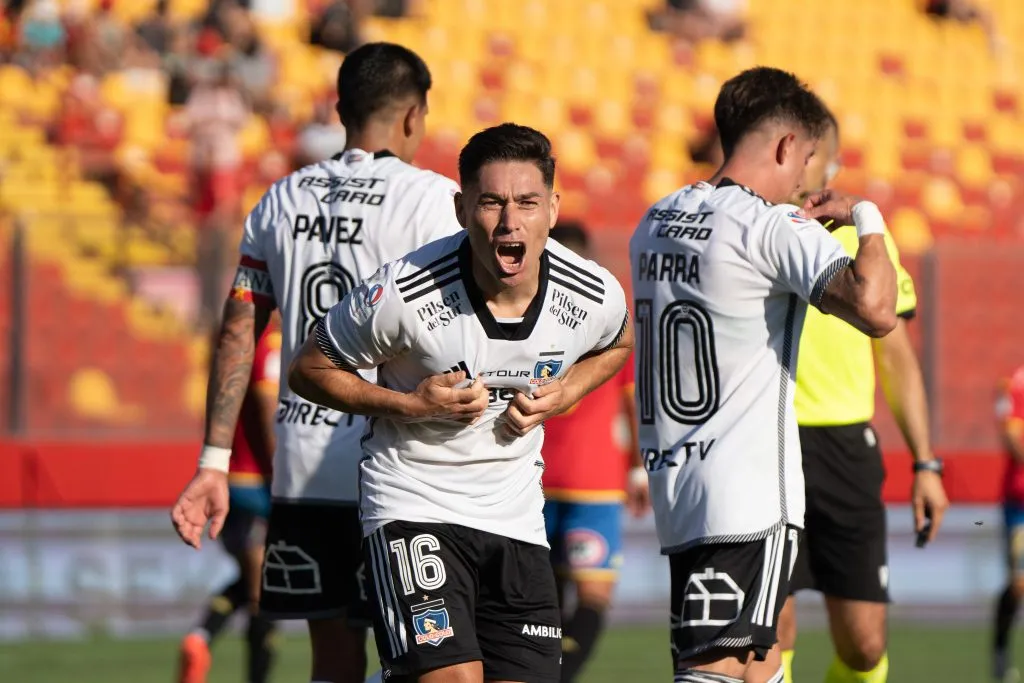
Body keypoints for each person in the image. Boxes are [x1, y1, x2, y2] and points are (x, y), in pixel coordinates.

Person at [288, 123, 634, 683]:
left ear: (553, 207)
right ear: (460, 208)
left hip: (517, 519)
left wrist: (566, 392)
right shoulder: (405, 291)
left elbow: (619, 343)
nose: (508, 221)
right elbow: (309, 367)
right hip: (413, 504)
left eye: (526, 202)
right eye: (490, 202)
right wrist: (408, 406)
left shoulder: (592, 292)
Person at [170, 42, 464, 683]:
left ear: (340, 109)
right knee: (433, 660)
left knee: (332, 661)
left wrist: (213, 462)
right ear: (414, 116)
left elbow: (238, 331)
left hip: (303, 474)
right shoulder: (435, 201)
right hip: (400, 465)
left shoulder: (279, 200)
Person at [629, 66, 898, 683]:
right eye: (807, 158)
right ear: (784, 147)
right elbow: (877, 309)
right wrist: (866, 214)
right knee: (717, 670)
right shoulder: (774, 226)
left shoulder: (657, 219)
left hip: (680, 481)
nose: (808, 176)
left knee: (761, 663)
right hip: (744, 498)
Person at [776, 112, 949, 683]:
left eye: (815, 155)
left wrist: (926, 461)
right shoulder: (755, 231)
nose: (804, 167)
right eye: (793, 153)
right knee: (772, 635)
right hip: (769, 442)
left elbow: (896, 356)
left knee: (865, 647)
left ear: (833, 162)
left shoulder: (865, 238)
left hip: (846, 446)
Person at [540, 221, 648, 683]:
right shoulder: (609, 314)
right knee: (592, 597)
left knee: (542, 598)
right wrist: (640, 470)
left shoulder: (522, 310)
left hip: (531, 478)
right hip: (594, 480)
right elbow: (633, 403)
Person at [178, 323, 281, 683]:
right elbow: (269, 413)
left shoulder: (234, 351)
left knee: (255, 582)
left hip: (232, 482)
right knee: (264, 594)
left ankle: (199, 637)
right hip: (260, 483)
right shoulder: (270, 347)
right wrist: (283, 472)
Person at [993, 365, 1024, 683]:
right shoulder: (1016, 383)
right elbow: (1011, 436)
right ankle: (1001, 649)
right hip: (1020, 502)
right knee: (1019, 584)